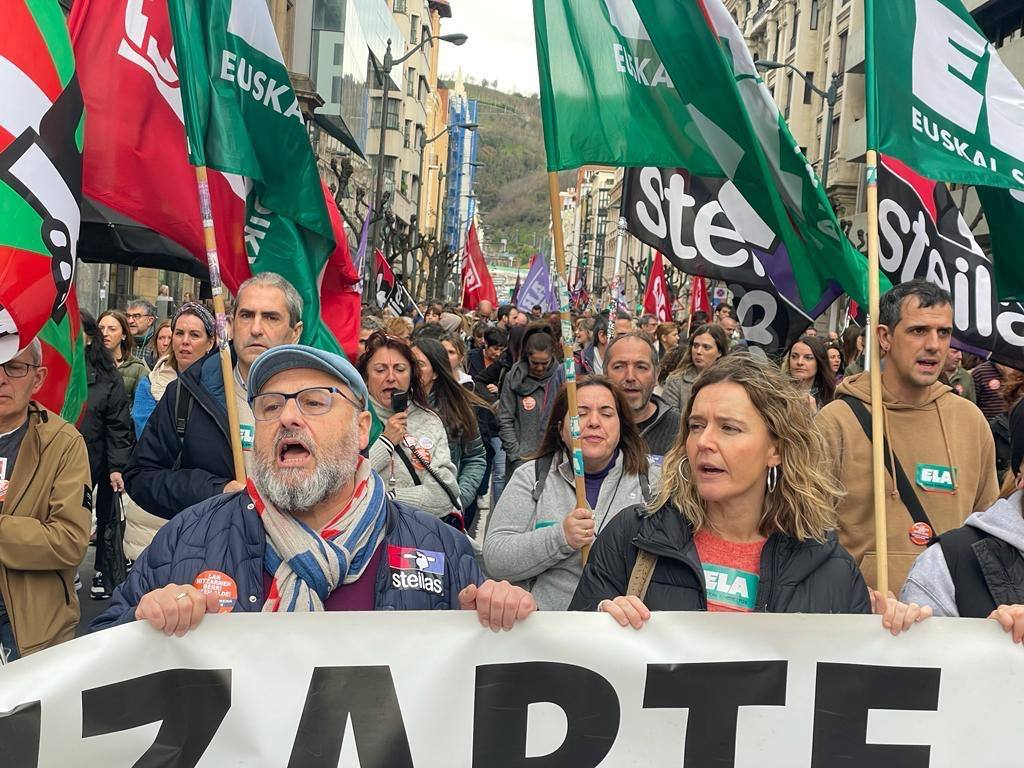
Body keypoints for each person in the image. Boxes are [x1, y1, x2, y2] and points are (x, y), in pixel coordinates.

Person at [93, 345, 535, 633]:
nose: (288, 417)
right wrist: (142, 621)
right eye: (269, 405)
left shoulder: (440, 548)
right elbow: (99, 659)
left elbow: (483, 704)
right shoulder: (190, 536)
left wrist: (501, 618)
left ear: (362, 429)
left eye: (314, 402)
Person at [569, 356, 929, 635]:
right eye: (696, 426)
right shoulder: (633, 538)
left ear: (775, 448)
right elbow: (570, 660)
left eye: (729, 428)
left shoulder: (831, 569)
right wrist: (600, 625)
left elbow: (848, 698)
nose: (705, 442)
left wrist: (893, 638)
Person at [816, 280, 1000, 591]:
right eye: (918, 331)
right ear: (884, 337)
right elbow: (810, 535)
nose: (934, 344)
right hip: (859, 622)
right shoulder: (836, 422)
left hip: (947, 623)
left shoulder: (971, 422)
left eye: (943, 332)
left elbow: (987, 536)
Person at [124, 273, 304, 521]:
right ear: (230, 323)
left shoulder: (320, 401)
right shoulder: (187, 393)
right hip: (212, 553)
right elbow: (141, 477)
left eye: (271, 318)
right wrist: (217, 491)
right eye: (246, 315)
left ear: (295, 332)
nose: (255, 329)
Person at [485, 376, 658, 610]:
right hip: (547, 632)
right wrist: (561, 538)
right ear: (561, 428)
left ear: (622, 426)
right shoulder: (532, 476)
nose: (594, 422)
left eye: (606, 414)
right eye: (581, 413)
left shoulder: (652, 481)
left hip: (625, 631)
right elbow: (496, 557)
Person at [0, 339, 91, 661]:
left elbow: (69, 541)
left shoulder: (62, 444)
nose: (1, 378)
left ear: (37, 378)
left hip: (28, 632)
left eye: (14, 368)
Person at [359, 332, 462, 520]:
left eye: (400, 369)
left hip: (421, 538)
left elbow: (443, 496)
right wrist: (386, 442)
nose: (391, 377)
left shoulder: (429, 420)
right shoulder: (353, 420)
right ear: (366, 376)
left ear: (412, 375)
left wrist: (389, 498)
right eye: (380, 370)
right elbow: (350, 489)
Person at [79, 312, 134, 600]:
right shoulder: (54, 368)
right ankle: (67, 567)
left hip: (98, 456)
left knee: (104, 515)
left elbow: (117, 424)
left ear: (89, 338)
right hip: (66, 458)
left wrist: (117, 467)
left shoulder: (108, 376)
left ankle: (102, 567)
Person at [412, 338, 488, 529]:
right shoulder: (393, 406)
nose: (412, 370)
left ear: (436, 372)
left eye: (419, 364)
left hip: (444, 517)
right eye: (408, 363)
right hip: (401, 513)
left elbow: (475, 457)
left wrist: (458, 497)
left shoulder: (458, 407)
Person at [132, 302, 216, 436]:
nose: (185, 341)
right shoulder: (150, 384)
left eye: (194, 335)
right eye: (179, 333)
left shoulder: (223, 386)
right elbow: (147, 437)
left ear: (209, 343)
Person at [497, 325, 565, 480]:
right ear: (527, 357)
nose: (540, 368)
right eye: (535, 363)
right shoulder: (513, 378)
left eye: (544, 363)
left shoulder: (561, 378)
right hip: (521, 460)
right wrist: (515, 454)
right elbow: (505, 418)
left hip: (554, 460)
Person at [604, 332, 680, 461]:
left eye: (641, 367)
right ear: (604, 374)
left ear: (656, 375)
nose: (630, 377)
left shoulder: (680, 429)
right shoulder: (589, 427)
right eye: (619, 367)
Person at [661, 324, 729, 413]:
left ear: (719, 352)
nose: (698, 351)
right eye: (696, 346)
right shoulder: (676, 381)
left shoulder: (730, 381)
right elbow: (670, 419)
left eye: (706, 347)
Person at [98, 310, 150, 404]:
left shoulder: (137, 369)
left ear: (124, 335)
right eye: (101, 328)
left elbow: (141, 408)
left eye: (112, 329)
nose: (104, 333)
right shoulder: (88, 364)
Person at [784, 334, 836, 411]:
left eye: (808, 358)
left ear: (819, 362)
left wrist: (815, 415)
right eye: (794, 356)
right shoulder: (777, 393)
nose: (799, 362)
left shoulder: (832, 396)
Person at [125, 298, 158, 367]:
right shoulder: (121, 342)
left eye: (136, 316)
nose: (130, 321)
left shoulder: (157, 345)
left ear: (150, 320)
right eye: (128, 316)